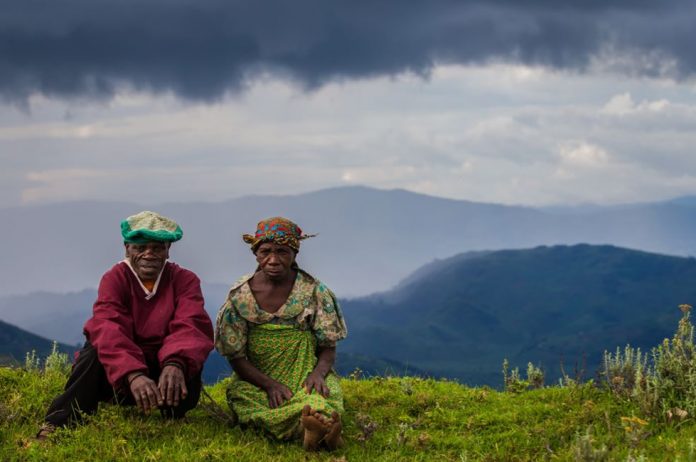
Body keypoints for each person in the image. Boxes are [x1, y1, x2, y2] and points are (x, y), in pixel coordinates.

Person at [37, 211, 214, 440]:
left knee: (187, 353)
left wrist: (176, 363)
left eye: (157, 247)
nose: (149, 254)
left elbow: (191, 323)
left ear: (168, 250)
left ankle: (174, 413)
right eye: (140, 247)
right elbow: (108, 325)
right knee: (95, 348)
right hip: (122, 377)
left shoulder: (185, 280)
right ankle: (59, 423)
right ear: (127, 248)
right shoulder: (115, 278)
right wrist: (132, 373)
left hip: (163, 368)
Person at [215, 217, 347, 451]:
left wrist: (318, 374)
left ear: (294, 254)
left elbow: (328, 346)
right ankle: (316, 429)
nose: (273, 260)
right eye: (265, 251)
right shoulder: (240, 296)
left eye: (282, 252)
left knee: (321, 394)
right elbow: (235, 357)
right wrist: (269, 385)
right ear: (255, 253)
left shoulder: (314, 291)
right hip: (257, 379)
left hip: (304, 373)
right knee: (243, 397)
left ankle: (314, 426)